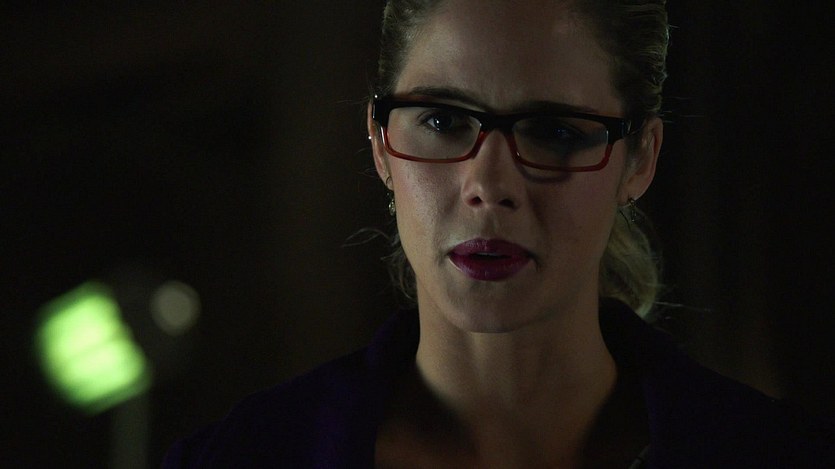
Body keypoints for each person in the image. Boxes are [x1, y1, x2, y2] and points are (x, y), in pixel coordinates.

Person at [164, 0, 833, 467]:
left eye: (554, 131)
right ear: (379, 141)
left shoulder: (773, 455)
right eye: (441, 121)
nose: (489, 183)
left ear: (640, 159)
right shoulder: (246, 456)